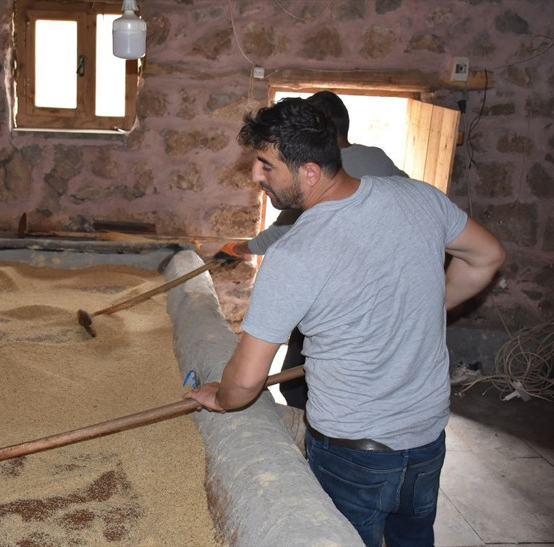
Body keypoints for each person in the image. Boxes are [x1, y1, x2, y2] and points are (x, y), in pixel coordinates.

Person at [192, 97, 505, 546]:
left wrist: (221, 399)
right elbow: (487, 256)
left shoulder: (295, 253)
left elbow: (245, 380)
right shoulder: (420, 197)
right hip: (427, 437)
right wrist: (426, 308)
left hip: (353, 454)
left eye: (266, 166)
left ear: (310, 172)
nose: (257, 176)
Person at [217, 90, 409, 409]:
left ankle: (305, 437)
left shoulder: (313, 174)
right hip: (381, 296)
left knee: (296, 384)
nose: (258, 175)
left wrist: (239, 248)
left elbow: (282, 230)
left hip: (330, 298)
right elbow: (407, 194)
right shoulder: (379, 158)